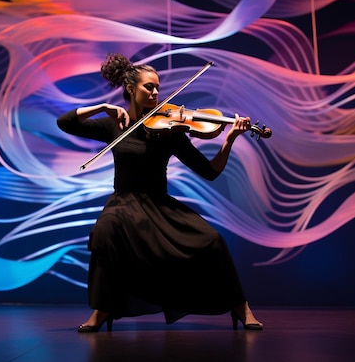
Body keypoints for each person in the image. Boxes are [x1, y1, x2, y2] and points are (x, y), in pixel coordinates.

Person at [57, 53, 263, 332]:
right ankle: (102, 310)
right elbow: (65, 122)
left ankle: (240, 307)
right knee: (105, 232)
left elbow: (209, 171)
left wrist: (229, 140)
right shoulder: (114, 125)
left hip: (159, 204)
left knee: (213, 240)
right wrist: (102, 107)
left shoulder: (170, 129)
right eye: (148, 87)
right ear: (130, 89)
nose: (155, 92)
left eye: (157, 87)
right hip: (124, 204)